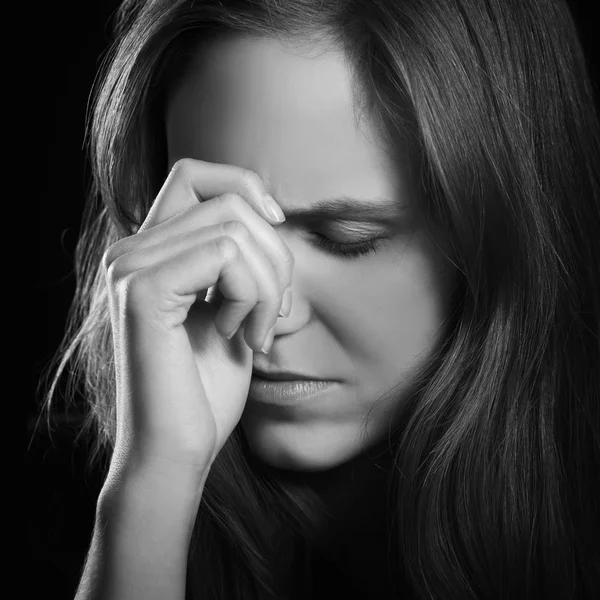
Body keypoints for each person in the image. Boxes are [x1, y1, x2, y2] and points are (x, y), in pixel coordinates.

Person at [38, 0, 600, 598]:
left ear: (498, 235)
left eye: (345, 240)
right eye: (207, 226)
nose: (263, 308)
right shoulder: (55, 519)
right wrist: (152, 487)